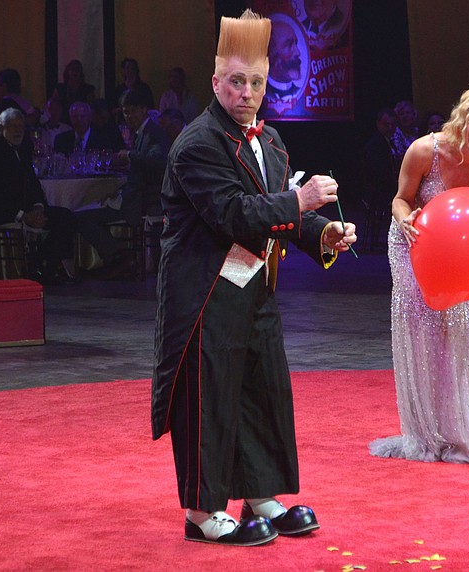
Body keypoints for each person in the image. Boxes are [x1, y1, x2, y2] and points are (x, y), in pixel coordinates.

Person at [151, 10, 356, 546]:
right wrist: (299, 200)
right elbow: (235, 214)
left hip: (256, 288)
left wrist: (320, 234)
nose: (247, 93)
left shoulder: (274, 142)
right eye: (237, 82)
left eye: (257, 82)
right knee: (209, 397)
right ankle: (201, 512)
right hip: (205, 293)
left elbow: (278, 211)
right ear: (216, 82)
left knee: (262, 390)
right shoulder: (197, 144)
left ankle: (260, 493)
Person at [368, 83, 469, 464]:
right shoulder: (425, 150)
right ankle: (420, 433)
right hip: (410, 242)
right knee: (417, 325)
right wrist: (407, 221)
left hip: (454, 259)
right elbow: (400, 200)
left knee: (452, 331)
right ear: (464, 117)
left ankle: (452, 430)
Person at [0, 108, 78, 284]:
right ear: (2, 128)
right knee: (59, 219)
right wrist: (24, 216)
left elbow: (33, 184)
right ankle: (39, 267)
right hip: (4, 212)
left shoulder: (23, 149)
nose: (18, 131)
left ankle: (45, 267)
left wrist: (38, 208)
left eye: (21, 127)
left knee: (65, 217)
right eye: (13, 126)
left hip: (27, 209)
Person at [75, 90, 169, 276]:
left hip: (141, 202)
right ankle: (118, 255)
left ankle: (117, 255)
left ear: (144, 110)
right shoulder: (141, 133)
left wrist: (129, 155)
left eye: (132, 111)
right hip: (132, 196)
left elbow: (158, 160)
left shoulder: (153, 132)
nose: (128, 116)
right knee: (87, 212)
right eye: (125, 112)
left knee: (81, 217)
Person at [361, 107, 399, 251]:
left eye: (393, 125)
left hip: (384, 187)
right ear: (378, 123)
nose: (390, 128)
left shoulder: (389, 141)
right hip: (377, 192)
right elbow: (380, 173)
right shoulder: (376, 144)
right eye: (386, 124)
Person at [53, 101, 119, 156]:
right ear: (70, 118)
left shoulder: (103, 140)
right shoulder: (61, 140)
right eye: (75, 117)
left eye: (83, 116)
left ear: (90, 118)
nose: (79, 120)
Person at [266, 19, 304, 101]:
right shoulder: (262, 94)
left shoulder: (297, 91)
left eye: (295, 43)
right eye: (288, 45)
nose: (297, 52)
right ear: (271, 51)